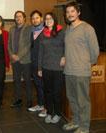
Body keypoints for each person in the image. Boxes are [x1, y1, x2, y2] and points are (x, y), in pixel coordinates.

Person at [63, 2, 99, 133]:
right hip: (68, 70)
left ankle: (84, 127)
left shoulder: (87, 28)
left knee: (83, 101)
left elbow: (95, 51)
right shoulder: (68, 29)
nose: (69, 14)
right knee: (72, 98)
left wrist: (86, 64)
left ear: (78, 12)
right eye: (67, 12)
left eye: (72, 11)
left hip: (81, 72)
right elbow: (68, 48)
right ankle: (75, 121)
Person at [38, 12, 65, 124]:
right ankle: (49, 112)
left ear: (55, 19)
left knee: (57, 92)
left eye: (50, 18)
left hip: (58, 67)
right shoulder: (43, 33)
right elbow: (40, 52)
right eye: (46, 18)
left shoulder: (61, 31)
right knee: (47, 91)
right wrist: (39, 68)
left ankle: (58, 113)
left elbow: (67, 46)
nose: (48, 20)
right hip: (46, 67)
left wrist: (64, 56)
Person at [8, 11, 32, 109]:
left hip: (25, 59)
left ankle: (29, 100)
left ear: (24, 18)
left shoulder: (29, 28)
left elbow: (29, 44)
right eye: (16, 17)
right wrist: (12, 55)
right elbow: (8, 44)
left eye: (20, 16)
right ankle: (18, 99)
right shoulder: (11, 29)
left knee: (27, 81)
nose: (18, 18)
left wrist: (19, 55)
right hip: (14, 60)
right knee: (16, 80)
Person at [27, 10, 46, 114]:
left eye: (37, 18)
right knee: (37, 85)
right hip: (33, 62)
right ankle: (40, 104)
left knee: (43, 85)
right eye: (33, 18)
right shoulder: (32, 31)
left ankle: (45, 107)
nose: (35, 20)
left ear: (41, 18)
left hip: (42, 64)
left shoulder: (46, 31)